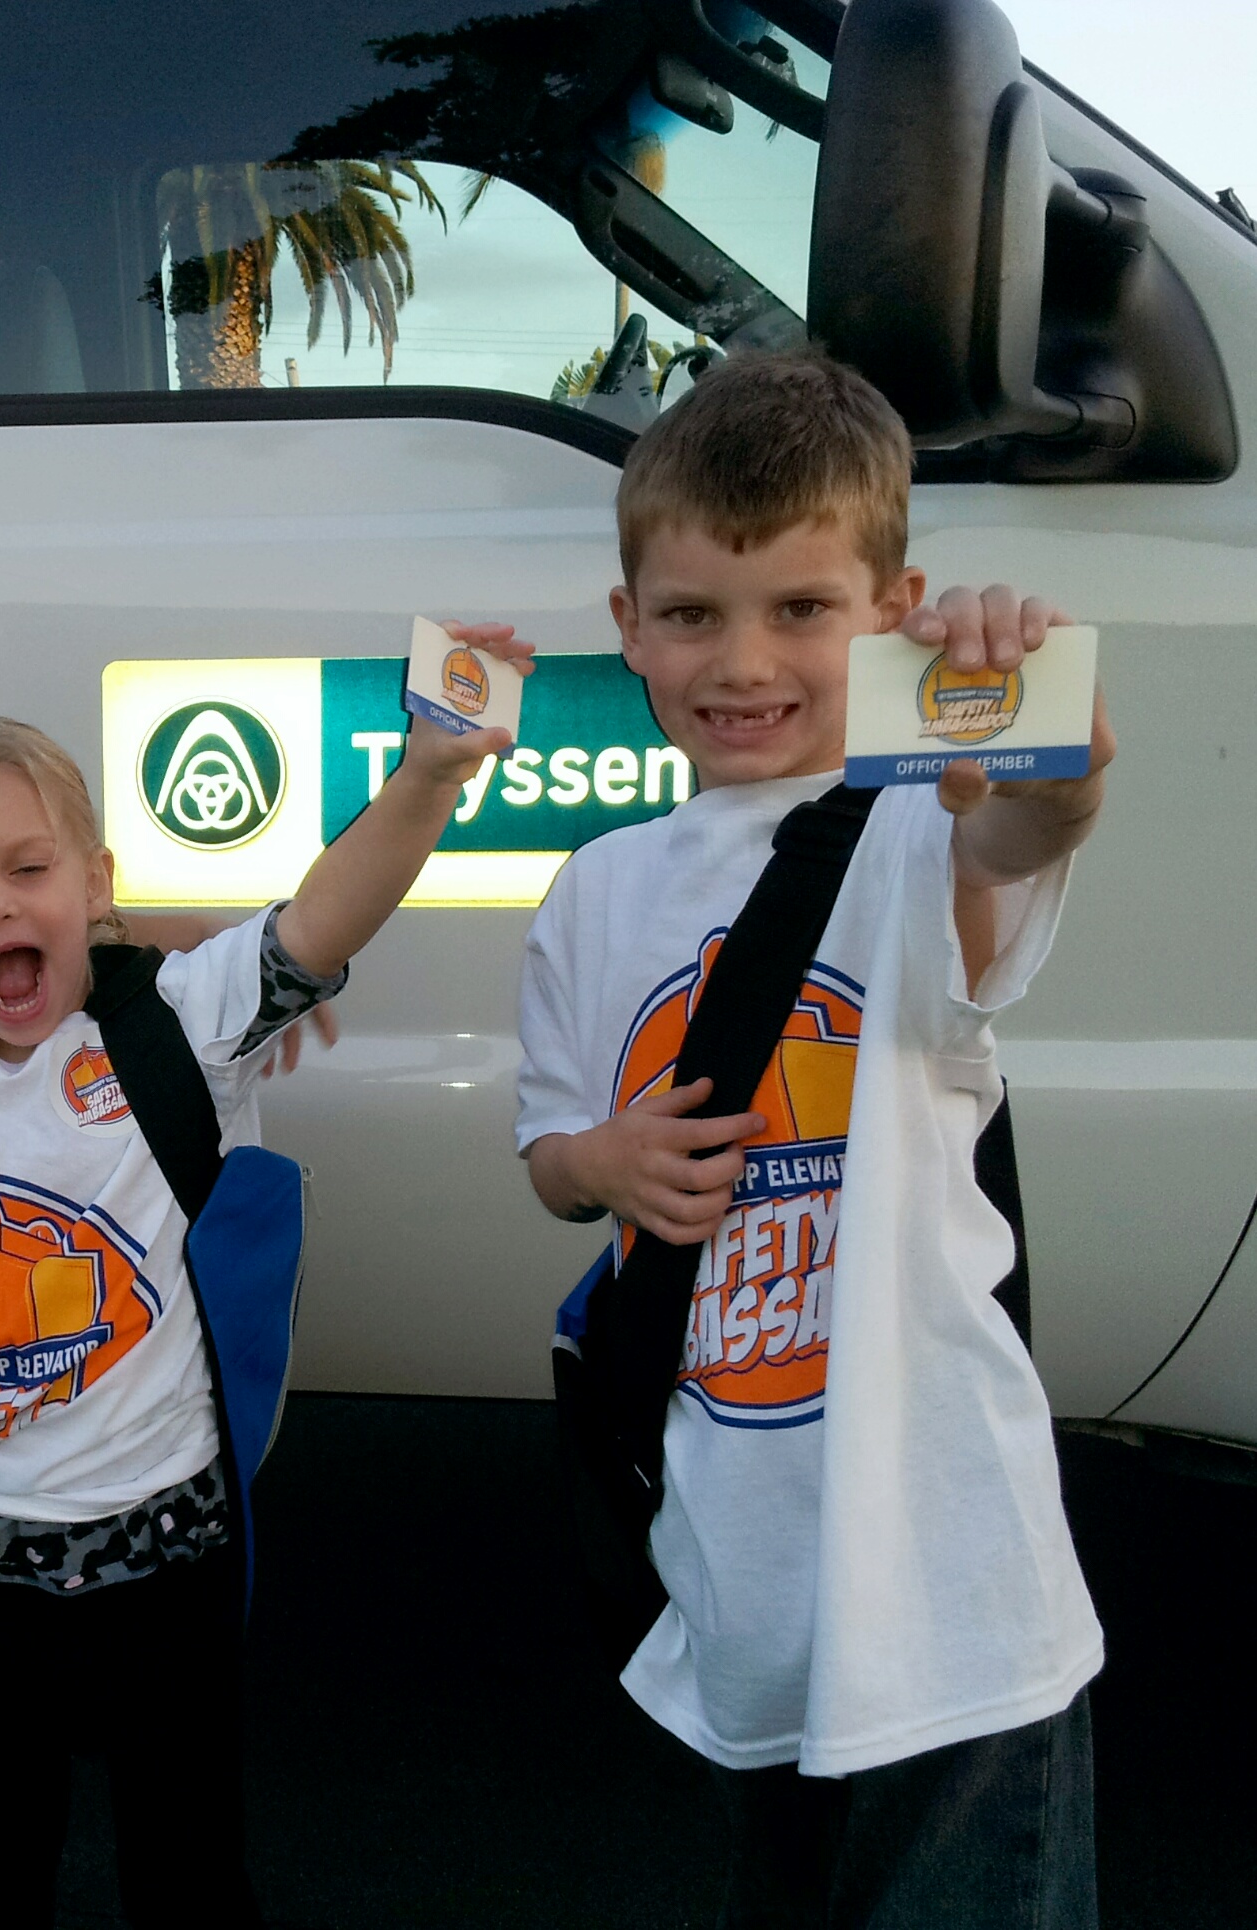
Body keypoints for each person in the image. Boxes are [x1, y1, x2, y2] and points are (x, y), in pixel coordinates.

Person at [0, 687, 526, 1927]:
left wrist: (426, 779)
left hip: (167, 1555)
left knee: (187, 1876)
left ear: (93, 881)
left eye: (26, 868)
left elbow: (318, 925)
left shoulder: (176, 1027)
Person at [513, 351, 1110, 1927]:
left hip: (952, 1597)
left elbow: (1023, 828)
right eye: (691, 612)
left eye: (799, 607)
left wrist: (1043, 752)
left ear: (891, 606)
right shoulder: (593, 890)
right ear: (627, 620)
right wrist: (601, 1162)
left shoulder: (917, 826)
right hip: (743, 1586)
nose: (742, 660)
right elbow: (550, 1151)